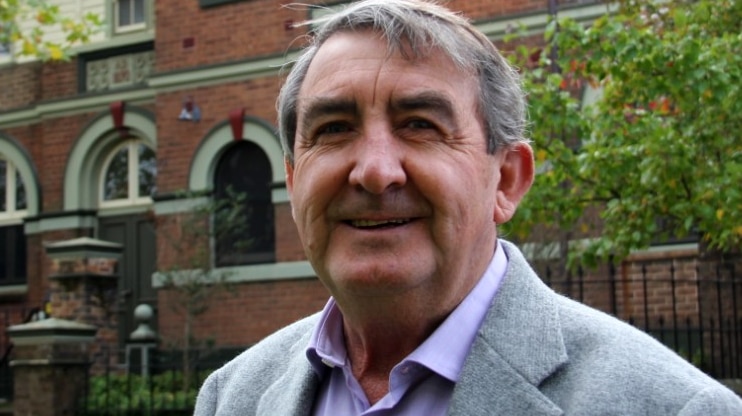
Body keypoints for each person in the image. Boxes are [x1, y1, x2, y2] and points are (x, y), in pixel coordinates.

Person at [195, 0, 742, 414]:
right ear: (294, 181)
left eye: (420, 125)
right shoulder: (231, 395)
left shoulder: (672, 405)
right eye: (333, 129)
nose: (375, 171)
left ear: (506, 179)